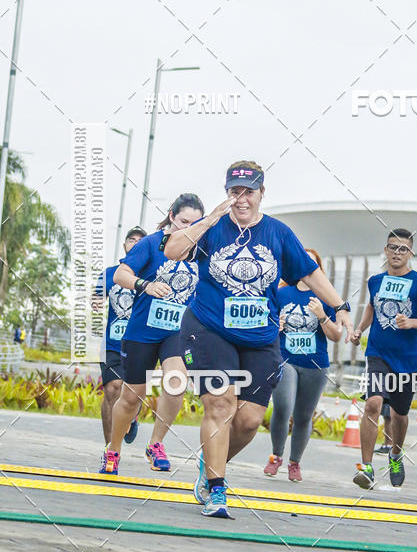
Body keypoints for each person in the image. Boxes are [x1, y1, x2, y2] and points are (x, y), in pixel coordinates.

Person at [166, 160, 354, 518]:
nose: (241, 199)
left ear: (261, 193)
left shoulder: (278, 233)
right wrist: (209, 219)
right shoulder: (213, 228)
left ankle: (210, 466)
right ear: (226, 194)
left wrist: (339, 305)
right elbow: (173, 250)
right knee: (220, 404)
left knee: (250, 420)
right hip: (208, 329)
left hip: (260, 337)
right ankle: (218, 489)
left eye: (248, 192)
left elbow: (310, 273)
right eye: (234, 192)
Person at [100, 194, 205, 475]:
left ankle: (155, 443)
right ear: (172, 216)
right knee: (131, 397)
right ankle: (113, 449)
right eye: (183, 221)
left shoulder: (202, 249)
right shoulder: (152, 243)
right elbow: (121, 274)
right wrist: (144, 285)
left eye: (195, 224)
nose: (188, 228)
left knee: (176, 381)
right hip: (142, 332)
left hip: (176, 332)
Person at [350, 228, 417, 490]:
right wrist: (359, 329)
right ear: (385, 250)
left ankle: (395, 455)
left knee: (400, 415)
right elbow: (371, 306)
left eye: (403, 249)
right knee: (373, 404)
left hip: (408, 359)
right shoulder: (375, 281)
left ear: (410, 253)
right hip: (378, 353)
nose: (397, 253)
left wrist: (411, 322)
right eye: (392, 247)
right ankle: (366, 468)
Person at [263, 248, 343, 482]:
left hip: (315, 364)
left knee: (303, 415)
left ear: (318, 269)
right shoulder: (281, 292)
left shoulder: (327, 298)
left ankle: (294, 462)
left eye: (313, 262)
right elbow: (266, 326)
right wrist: (274, 326)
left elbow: (336, 336)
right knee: (283, 407)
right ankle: (276, 456)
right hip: (285, 358)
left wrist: (321, 315)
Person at [93, 226, 147, 445]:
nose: (134, 243)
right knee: (112, 389)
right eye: (131, 240)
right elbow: (97, 294)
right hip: (113, 344)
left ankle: (131, 417)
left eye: (140, 241)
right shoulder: (110, 272)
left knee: (133, 393)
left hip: (141, 343)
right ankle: (110, 450)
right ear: (125, 245)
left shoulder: (151, 275)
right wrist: (96, 300)